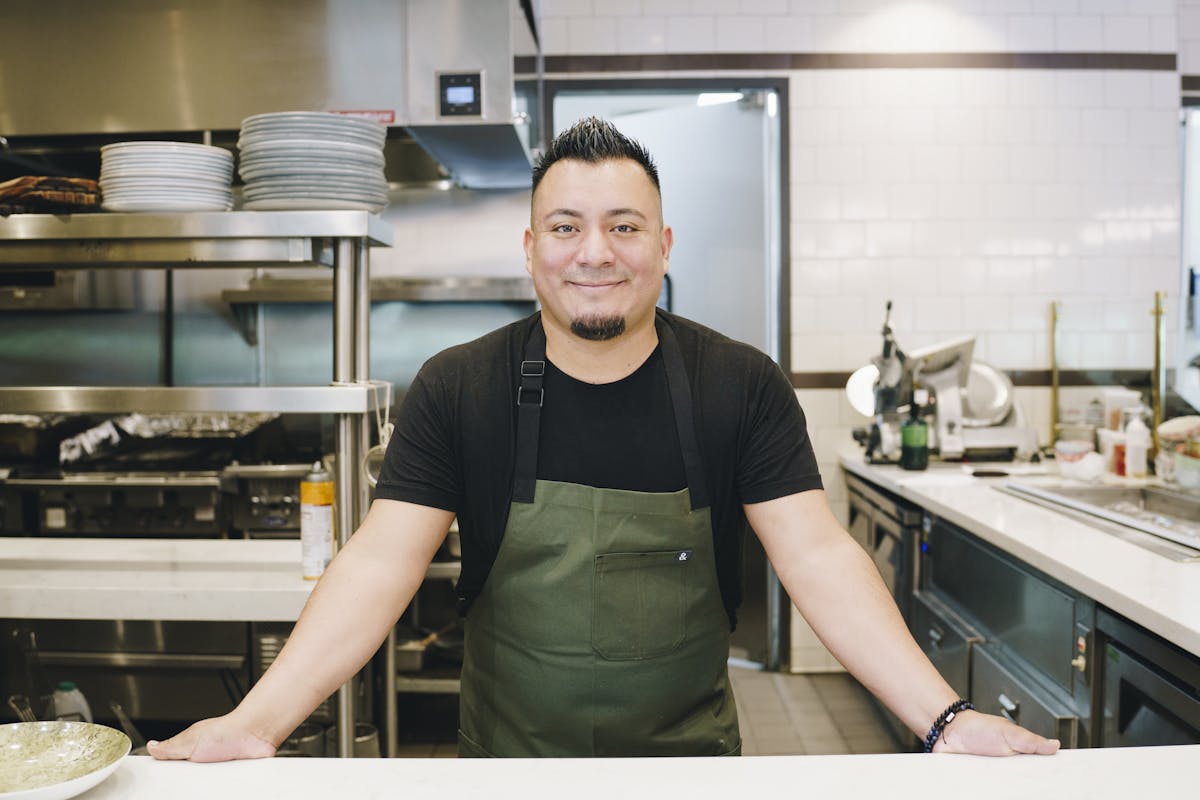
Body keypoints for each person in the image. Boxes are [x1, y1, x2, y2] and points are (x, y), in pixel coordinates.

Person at [148, 117, 1058, 761]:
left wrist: (943, 719)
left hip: (685, 773)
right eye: (567, 227)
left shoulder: (738, 385)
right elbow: (379, 565)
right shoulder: (460, 385)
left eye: (624, 228)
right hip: (511, 773)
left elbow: (818, 557)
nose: (595, 253)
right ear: (531, 246)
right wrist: (258, 723)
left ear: (663, 244)